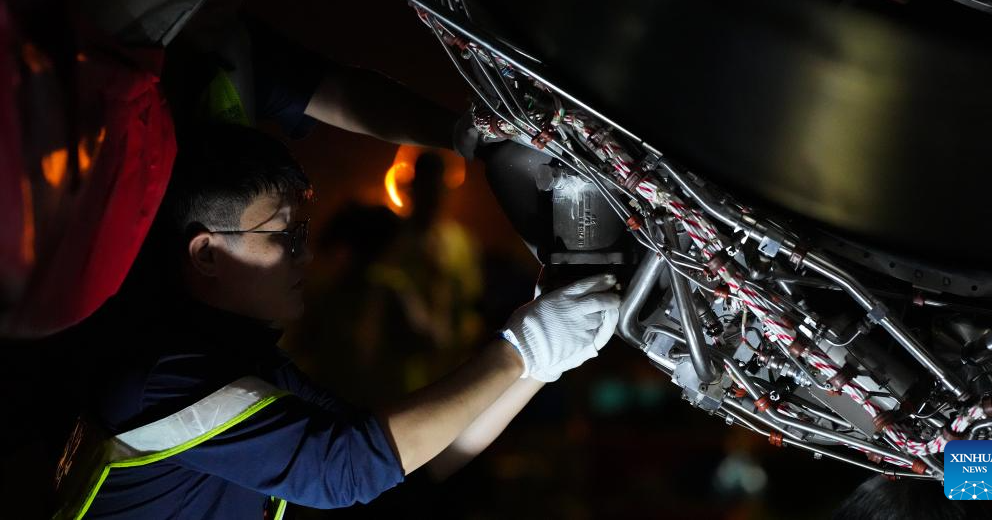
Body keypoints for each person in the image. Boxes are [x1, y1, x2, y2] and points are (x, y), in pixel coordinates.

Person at [53, 124, 620, 519]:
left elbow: (407, 464)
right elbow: (348, 469)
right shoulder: (164, 375)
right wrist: (523, 349)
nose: (305, 255)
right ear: (206, 254)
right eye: (284, 236)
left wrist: (539, 364)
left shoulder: (243, 365)